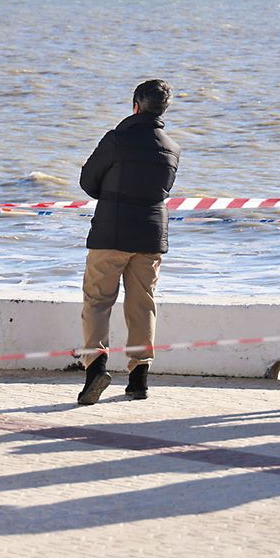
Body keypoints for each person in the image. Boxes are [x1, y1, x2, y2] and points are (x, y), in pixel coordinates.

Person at [76, 79, 181, 405]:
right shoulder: (172, 149)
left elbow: (87, 180)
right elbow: (162, 191)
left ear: (135, 105)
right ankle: (139, 378)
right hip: (149, 236)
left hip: (111, 232)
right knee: (142, 304)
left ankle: (96, 368)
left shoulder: (116, 139)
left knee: (97, 301)